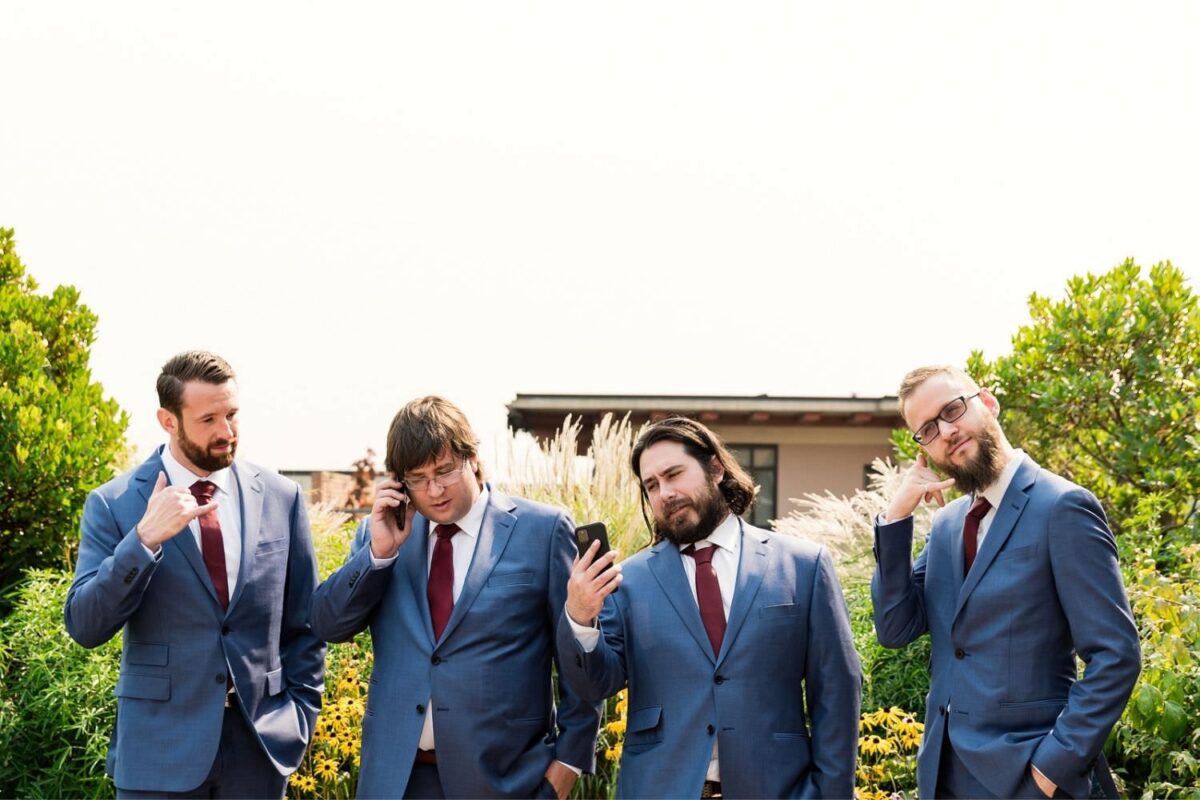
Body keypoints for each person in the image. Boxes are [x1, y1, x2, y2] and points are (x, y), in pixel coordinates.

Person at [310, 396, 600, 799]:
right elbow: (328, 624)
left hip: (506, 783)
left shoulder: (544, 530)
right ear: (399, 481)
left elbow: (577, 655)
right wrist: (379, 554)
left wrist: (566, 767)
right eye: (417, 478)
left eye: (444, 471)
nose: (434, 490)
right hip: (397, 782)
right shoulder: (380, 536)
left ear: (473, 458)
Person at [872, 365, 1141, 799]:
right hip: (945, 778)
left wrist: (1050, 770)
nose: (946, 431)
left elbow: (1116, 655)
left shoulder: (1063, 507)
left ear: (988, 403)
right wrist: (896, 517)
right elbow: (894, 628)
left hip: (1032, 777)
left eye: (952, 410)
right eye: (927, 429)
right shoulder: (945, 526)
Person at [64, 351, 325, 798]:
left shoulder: (282, 497)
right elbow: (85, 625)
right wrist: (143, 541)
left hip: (259, 754)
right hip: (158, 756)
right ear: (168, 420)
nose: (226, 432)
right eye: (208, 419)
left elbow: (305, 624)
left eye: (232, 414)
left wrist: (300, 715)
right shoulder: (115, 503)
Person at [559, 416, 862, 798]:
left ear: (715, 468)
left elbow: (837, 689)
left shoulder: (802, 565)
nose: (664, 493)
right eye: (651, 485)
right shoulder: (628, 581)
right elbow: (594, 685)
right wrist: (580, 616)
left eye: (673, 474)